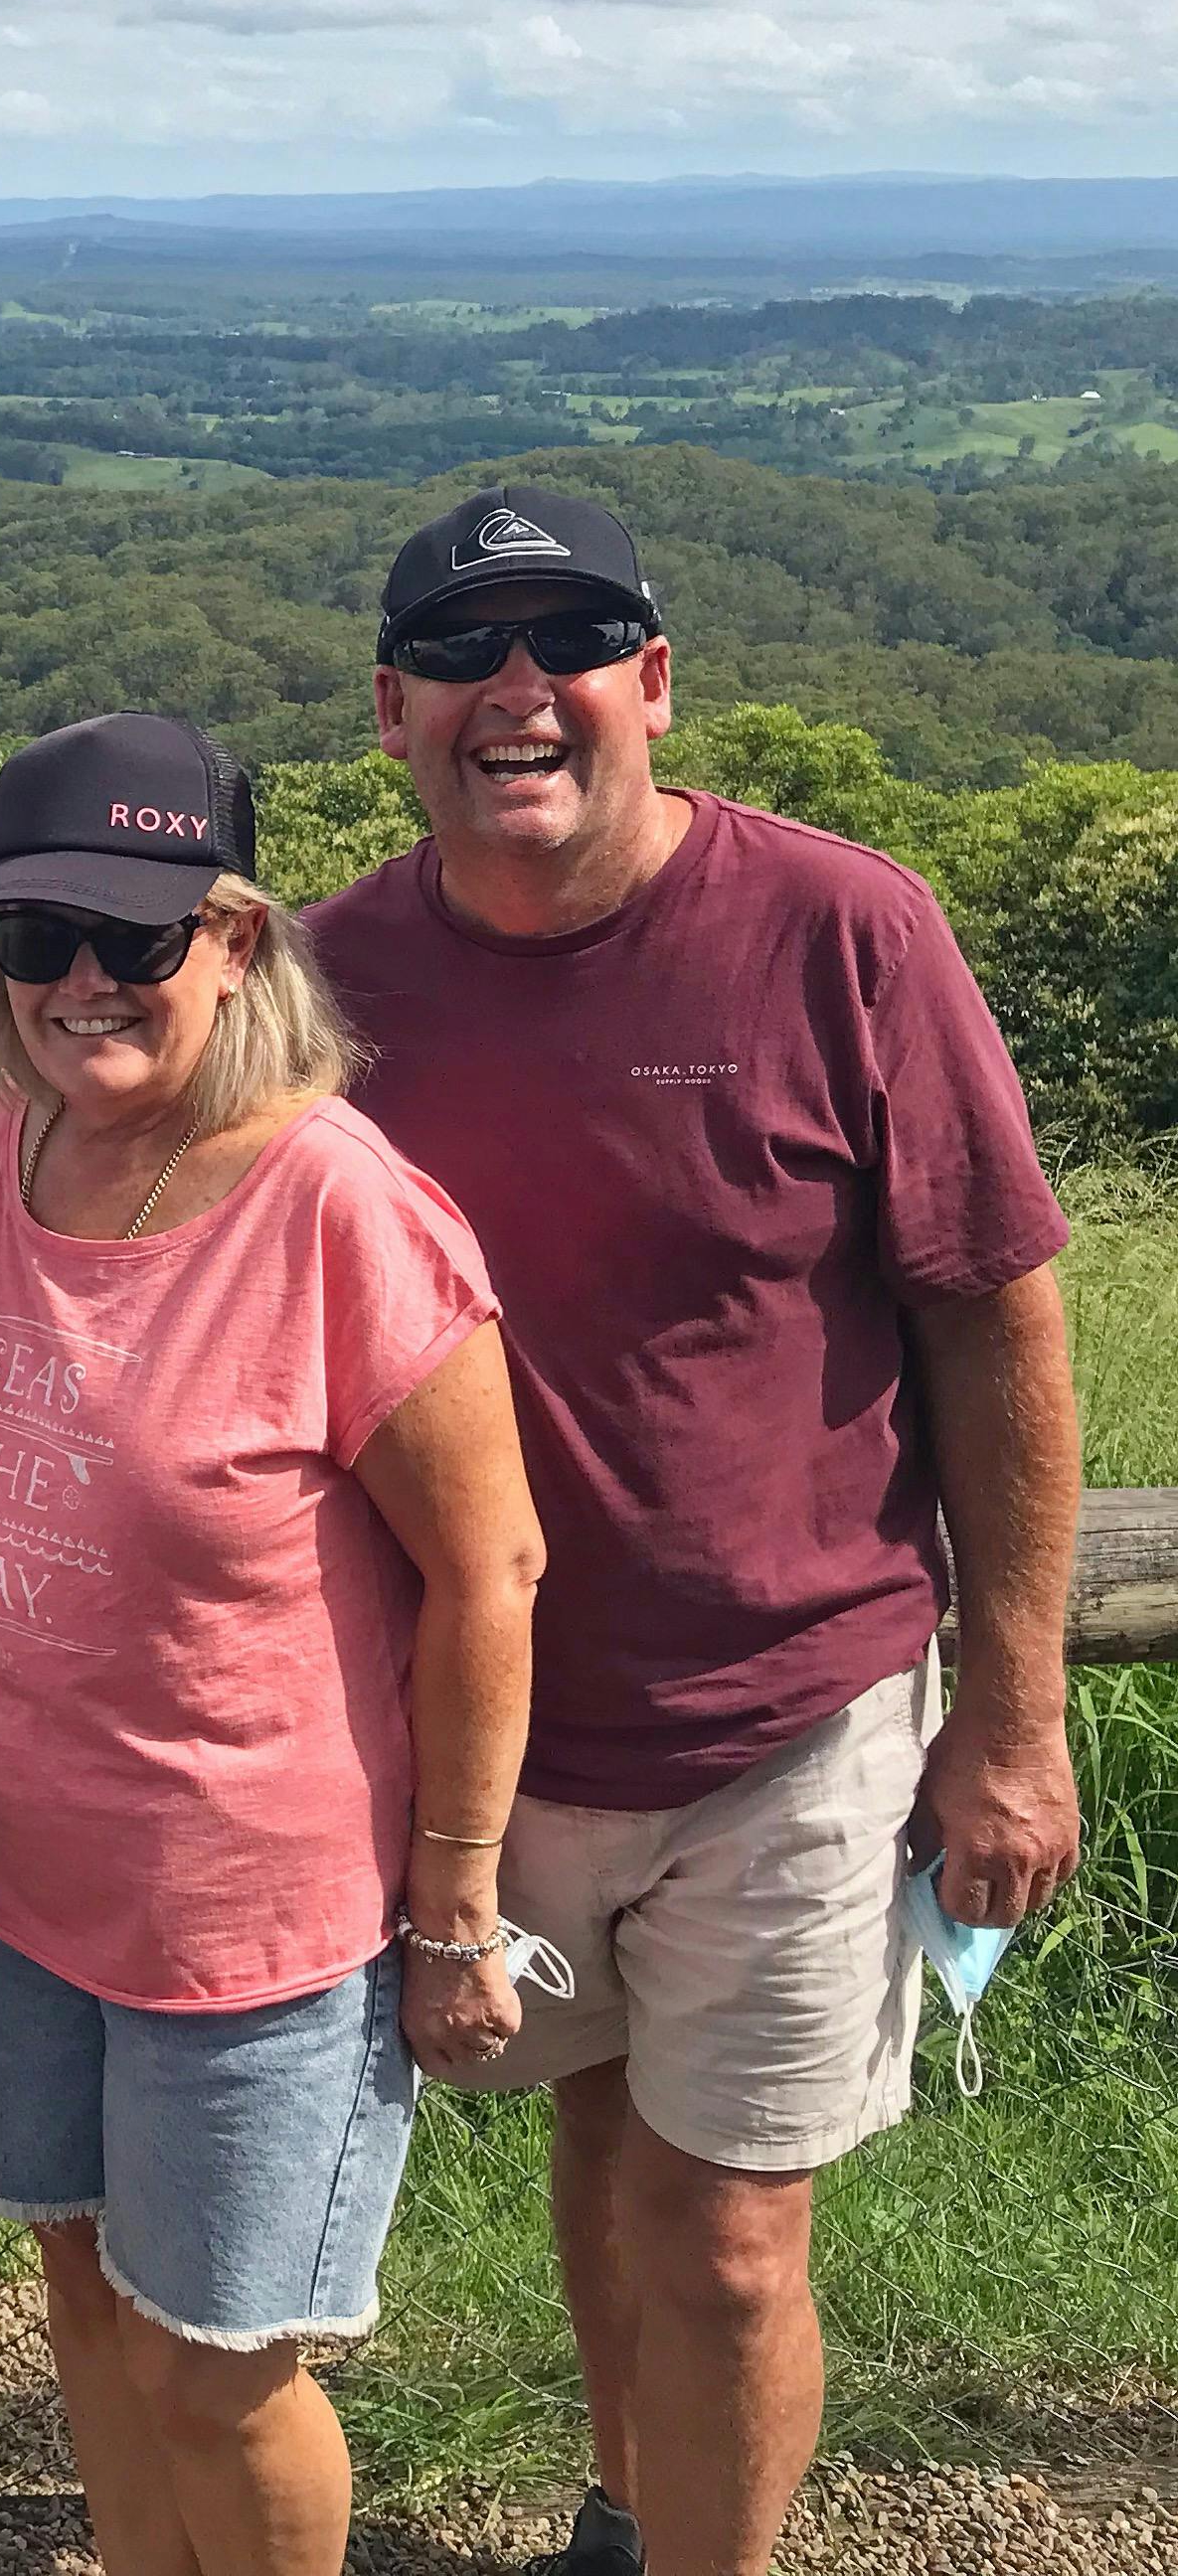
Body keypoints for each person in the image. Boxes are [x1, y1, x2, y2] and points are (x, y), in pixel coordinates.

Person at [308, 488, 1082, 2576]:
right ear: (387, 710)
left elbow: (991, 1311)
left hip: (793, 1703)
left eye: (566, 643)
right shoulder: (330, 981)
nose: (514, 690)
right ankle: (624, 2512)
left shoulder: (841, 928)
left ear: (650, 685)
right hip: (490, 1723)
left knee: (731, 2233)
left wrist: (1010, 1714)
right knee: (596, 2126)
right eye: (463, 653)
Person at [0, 711, 550, 2576]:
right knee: (85, 2302)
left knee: (221, 2369)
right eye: (36, 939)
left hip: (251, 1921)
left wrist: (456, 1907)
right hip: (21, 1879)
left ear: (237, 941)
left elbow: (491, 1569)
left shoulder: (339, 1206)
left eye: (136, 939)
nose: (81, 983)